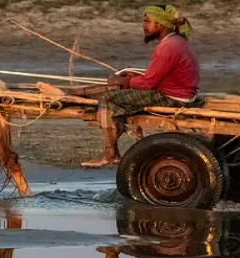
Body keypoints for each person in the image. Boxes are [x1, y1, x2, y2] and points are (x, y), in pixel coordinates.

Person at [81, 5, 200, 167]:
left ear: (159, 24)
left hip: (171, 98)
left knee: (109, 100)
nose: (143, 26)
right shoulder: (177, 41)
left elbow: (148, 83)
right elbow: (155, 77)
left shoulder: (167, 47)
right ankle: (78, 94)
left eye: (147, 22)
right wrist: (131, 79)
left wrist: (122, 81)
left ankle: (110, 155)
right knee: (120, 90)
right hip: (179, 92)